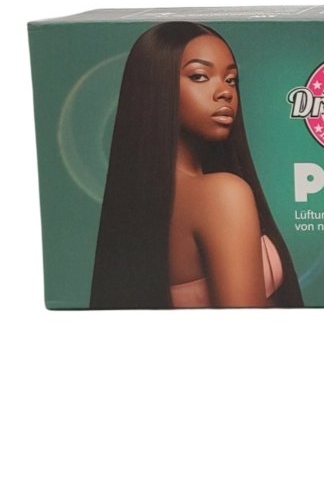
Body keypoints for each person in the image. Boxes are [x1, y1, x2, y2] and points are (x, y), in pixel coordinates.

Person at [90, 22, 303, 308]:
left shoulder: (135, 207)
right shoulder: (222, 194)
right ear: (155, 86)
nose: (224, 92)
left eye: (231, 79)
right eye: (200, 76)